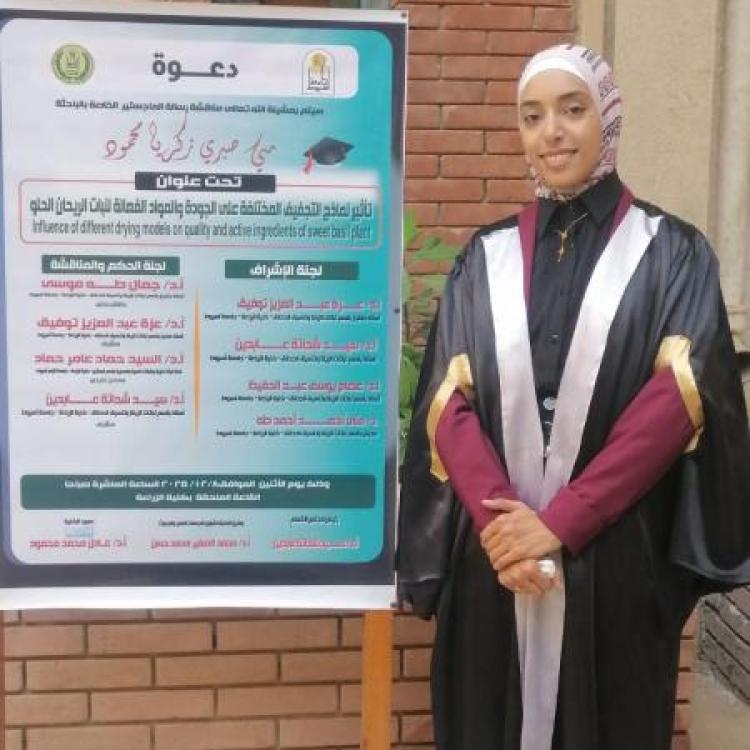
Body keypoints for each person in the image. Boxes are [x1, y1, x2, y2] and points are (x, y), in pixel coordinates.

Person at [397, 44, 750, 750]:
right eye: (532, 116)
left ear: (607, 117)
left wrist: (561, 520)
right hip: (497, 564)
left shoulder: (671, 253)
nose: (551, 132)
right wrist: (504, 530)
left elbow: (680, 396)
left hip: (611, 559)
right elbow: (446, 400)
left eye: (571, 109)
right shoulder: (484, 257)